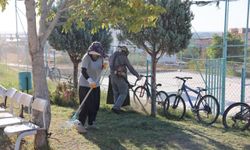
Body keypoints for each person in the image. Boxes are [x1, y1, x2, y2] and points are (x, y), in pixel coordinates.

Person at [76, 41, 107, 133]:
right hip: (85, 85)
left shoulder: (101, 57)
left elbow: (99, 67)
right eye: (93, 53)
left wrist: (103, 66)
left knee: (95, 105)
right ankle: (80, 124)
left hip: (96, 85)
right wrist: (89, 80)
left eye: (96, 54)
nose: (94, 55)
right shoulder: (86, 57)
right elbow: (83, 71)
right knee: (85, 105)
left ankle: (91, 123)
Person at [109, 45, 141, 114]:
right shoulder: (123, 57)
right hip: (120, 77)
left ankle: (116, 108)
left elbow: (111, 66)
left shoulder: (112, 56)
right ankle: (116, 107)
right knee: (123, 92)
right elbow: (130, 68)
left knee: (116, 93)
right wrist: (137, 75)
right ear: (125, 52)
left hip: (112, 77)